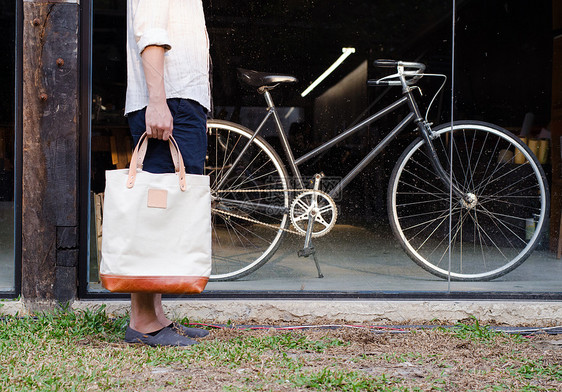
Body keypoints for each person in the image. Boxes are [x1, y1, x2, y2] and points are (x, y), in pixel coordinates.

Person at [123, 0, 211, 346]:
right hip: (169, 100)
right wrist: (157, 102)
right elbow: (150, 34)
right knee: (155, 217)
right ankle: (143, 321)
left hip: (179, 100)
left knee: (165, 214)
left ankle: (154, 316)